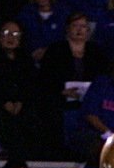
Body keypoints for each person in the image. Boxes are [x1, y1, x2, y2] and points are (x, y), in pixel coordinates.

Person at [38, 11, 109, 156]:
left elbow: (103, 78)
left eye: (83, 26)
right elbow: (45, 78)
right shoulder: (55, 50)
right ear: (68, 28)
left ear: (88, 30)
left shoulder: (96, 51)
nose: (79, 29)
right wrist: (61, 90)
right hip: (62, 100)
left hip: (90, 100)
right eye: (75, 26)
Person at [0, 20, 42, 160]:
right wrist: (4, 101)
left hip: (20, 102)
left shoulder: (25, 59)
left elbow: (29, 84)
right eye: (7, 33)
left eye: (15, 34)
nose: (11, 37)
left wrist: (20, 101)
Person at [15, 0, 67, 64]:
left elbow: (67, 39)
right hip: (30, 60)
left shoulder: (63, 14)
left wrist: (48, 51)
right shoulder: (24, 14)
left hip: (58, 60)